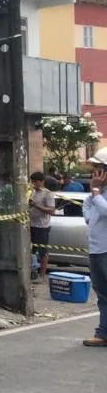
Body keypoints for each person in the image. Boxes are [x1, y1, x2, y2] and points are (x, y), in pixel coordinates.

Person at [82, 148, 107, 347]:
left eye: (98, 169)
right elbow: (89, 215)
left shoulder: (100, 194)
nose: (94, 174)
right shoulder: (98, 194)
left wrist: (96, 193)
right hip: (97, 250)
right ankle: (103, 333)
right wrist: (95, 194)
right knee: (102, 295)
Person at [29, 172, 56, 282]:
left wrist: (36, 205)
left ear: (41, 182)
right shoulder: (32, 192)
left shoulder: (47, 194)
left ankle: (42, 275)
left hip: (42, 226)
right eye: (32, 181)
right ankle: (32, 272)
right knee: (30, 250)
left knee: (42, 251)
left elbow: (52, 210)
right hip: (31, 224)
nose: (34, 184)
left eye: (36, 181)